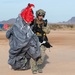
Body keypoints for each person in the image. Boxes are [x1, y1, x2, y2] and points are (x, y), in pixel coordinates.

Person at [6, 3, 41, 70]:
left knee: (29, 52)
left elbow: (8, 34)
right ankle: (15, 64)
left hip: (26, 45)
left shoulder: (27, 26)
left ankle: (26, 64)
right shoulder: (17, 26)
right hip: (18, 46)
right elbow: (8, 34)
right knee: (18, 54)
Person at [30, 9, 52, 74]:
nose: (41, 17)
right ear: (37, 15)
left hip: (42, 41)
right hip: (34, 41)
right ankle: (34, 68)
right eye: (40, 15)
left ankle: (39, 67)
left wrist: (43, 27)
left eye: (42, 16)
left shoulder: (44, 23)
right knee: (34, 55)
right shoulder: (33, 22)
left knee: (41, 55)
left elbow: (48, 31)